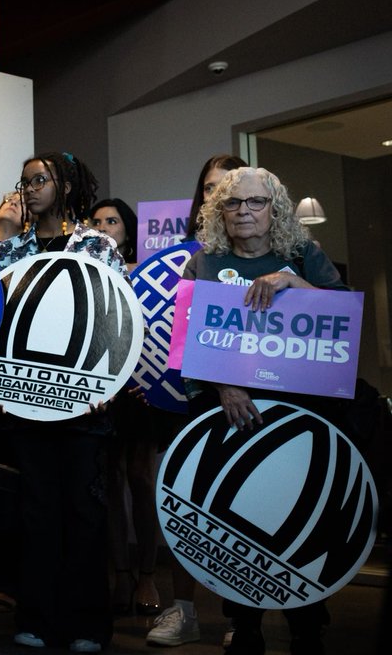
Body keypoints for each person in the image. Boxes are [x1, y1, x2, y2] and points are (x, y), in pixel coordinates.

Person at [180, 166, 346, 655]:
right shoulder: (203, 264)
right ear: (219, 212)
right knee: (240, 516)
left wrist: (294, 283)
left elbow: (343, 314)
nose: (245, 211)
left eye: (256, 202)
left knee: (303, 515)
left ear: (274, 209)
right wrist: (225, 386)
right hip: (230, 414)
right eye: (234, 203)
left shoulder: (302, 256)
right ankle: (243, 625)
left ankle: (307, 624)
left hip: (299, 418)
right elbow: (188, 338)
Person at [0, 151, 122, 653]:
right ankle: (38, 617)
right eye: (24, 182)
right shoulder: (12, 251)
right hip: (26, 401)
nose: (30, 188)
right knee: (37, 511)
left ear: (64, 185)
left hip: (87, 406)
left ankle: (88, 623)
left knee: (84, 513)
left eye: (40, 179)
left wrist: (103, 388)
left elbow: (117, 320)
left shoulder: (95, 245)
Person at [149, 153, 247, 648]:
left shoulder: (280, 253)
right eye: (209, 188)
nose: (217, 197)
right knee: (188, 503)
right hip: (202, 401)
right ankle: (182, 610)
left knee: (243, 508)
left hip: (261, 406)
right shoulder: (194, 260)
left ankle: (239, 619)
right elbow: (188, 337)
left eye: (227, 188)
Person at [87, 197, 165, 617]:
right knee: (111, 480)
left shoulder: (147, 274)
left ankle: (149, 573)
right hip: (104, 390)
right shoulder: (87, 273)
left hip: (142, 390)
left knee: (141, 478)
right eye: (96, 221)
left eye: (111, 221)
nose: (103, 227)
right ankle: (121, 573)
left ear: (128, 231)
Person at [184, 154, 247, 242]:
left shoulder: (263, 248)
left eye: (225, 187)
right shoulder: (188, 252)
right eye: (209, 189)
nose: (215, 196)